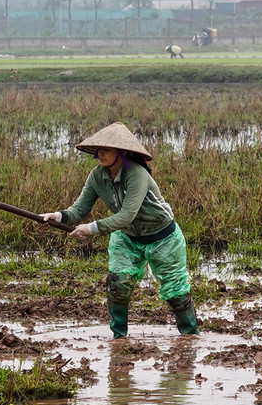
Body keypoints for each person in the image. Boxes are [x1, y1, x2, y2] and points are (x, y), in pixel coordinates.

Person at [41, 122, 198, 339]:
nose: (101, 153)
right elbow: (79, 209)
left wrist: (91, 229)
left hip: (163, 237)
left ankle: (190, 337)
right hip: (127, 237)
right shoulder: (97, 176)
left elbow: (127, 215)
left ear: (122, 152)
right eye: (99, 149)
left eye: (107, 149)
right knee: (117, 285)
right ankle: (119, 338)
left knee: (175, 293)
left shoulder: (137, 174)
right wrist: (58, 216)